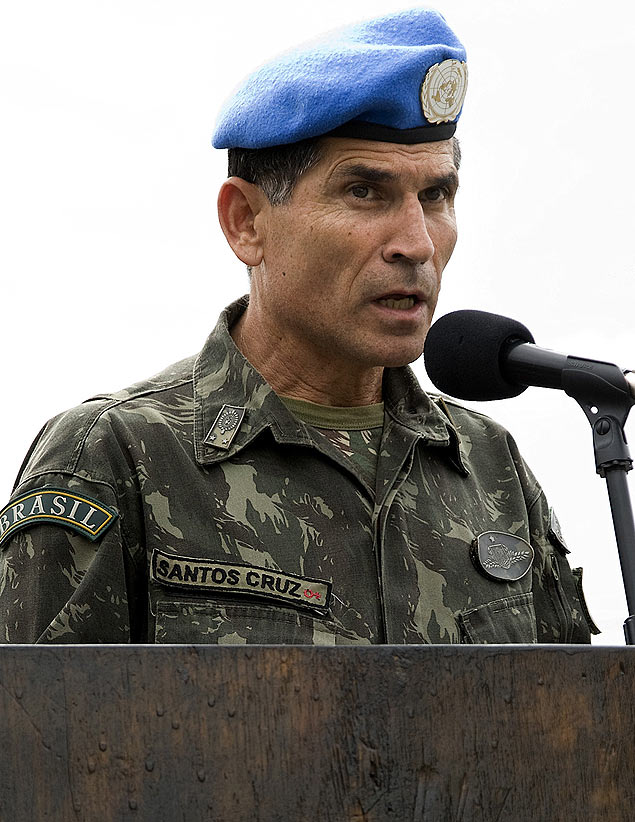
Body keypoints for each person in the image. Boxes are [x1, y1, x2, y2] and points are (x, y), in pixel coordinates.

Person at [0, 8, 597, 644]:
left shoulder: (490, 466)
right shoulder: (118, 456)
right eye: (365, 192)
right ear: (246, 223)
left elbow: (569, 732)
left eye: (436, 196)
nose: (417, 244)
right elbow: (40, 733)